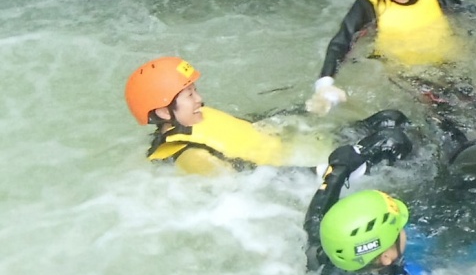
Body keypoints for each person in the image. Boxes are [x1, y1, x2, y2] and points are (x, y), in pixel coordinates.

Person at [124, 55, 403, 175]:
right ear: (162, 111)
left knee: (391, 118)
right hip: (302, 172)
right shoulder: (190, 156)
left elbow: (250, 127)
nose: (199, 99)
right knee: (394, 142)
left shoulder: (194, 118)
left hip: (302, 147)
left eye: (195, 90)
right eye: (189, 95)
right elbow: (251, 190)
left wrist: (307, 110)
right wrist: (323, 173)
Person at [310, 0, 476, 114]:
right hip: (405, 74)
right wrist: (325, 83)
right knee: (441, 107)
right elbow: (341, 42)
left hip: (445, 66)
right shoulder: (368, 6)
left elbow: (475, 13)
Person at [303, 125, 429, 275]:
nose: (403, 229)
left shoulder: (324, 258)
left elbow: (317, 215)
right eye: (398, 229)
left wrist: (339, 171)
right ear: (387, 257)